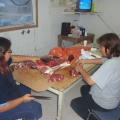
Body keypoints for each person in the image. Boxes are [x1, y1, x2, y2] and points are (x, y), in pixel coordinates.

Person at [70, 33, 120, 120]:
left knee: (74, 103)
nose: (100, 49)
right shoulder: (115, 57)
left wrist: (81, 70)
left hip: (105, 103)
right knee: (84, 88)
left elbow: (90, 81)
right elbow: (101, 60)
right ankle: (90, 106)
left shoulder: (110, 64)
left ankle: (92, 117)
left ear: (108, 49)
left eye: (101, 47)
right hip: (114, 97)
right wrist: (86, 61)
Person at [0, 37, 42, 120]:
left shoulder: (2, 62)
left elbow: (13, 58)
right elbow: (2, 108)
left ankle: (23, 113)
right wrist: (22, 99)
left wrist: (31, 58)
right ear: (2, 55)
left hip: (8, 93)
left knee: (26, 87)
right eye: (9, 51)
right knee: (35, 107)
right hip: (2, 111)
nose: (10, 54)